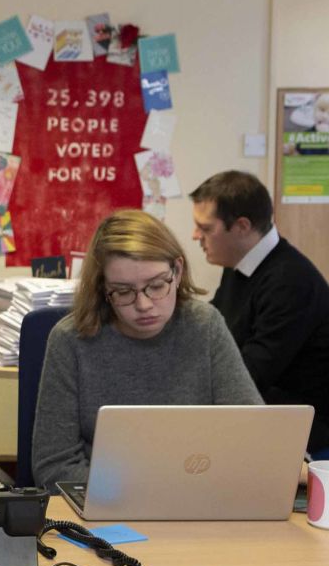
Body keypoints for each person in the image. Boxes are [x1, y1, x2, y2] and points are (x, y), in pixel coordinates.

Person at [31, 209, 261, 489]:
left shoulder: (205, 325)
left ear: (176, 272)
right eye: (123, 292)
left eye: (156, 286)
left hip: (196, 494)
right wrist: (144, 490)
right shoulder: (71, 341)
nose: (144, 305)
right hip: (106, 501)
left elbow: (249, 436)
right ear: (103, 289)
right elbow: (54, 466)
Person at [190, 170, 329, 452]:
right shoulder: (240, 264)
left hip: (294, 417)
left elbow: (249, 375)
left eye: (205, 228)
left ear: (241, 227)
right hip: (261, 404)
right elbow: (212, 331)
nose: (195, 236)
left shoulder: (290, 282)